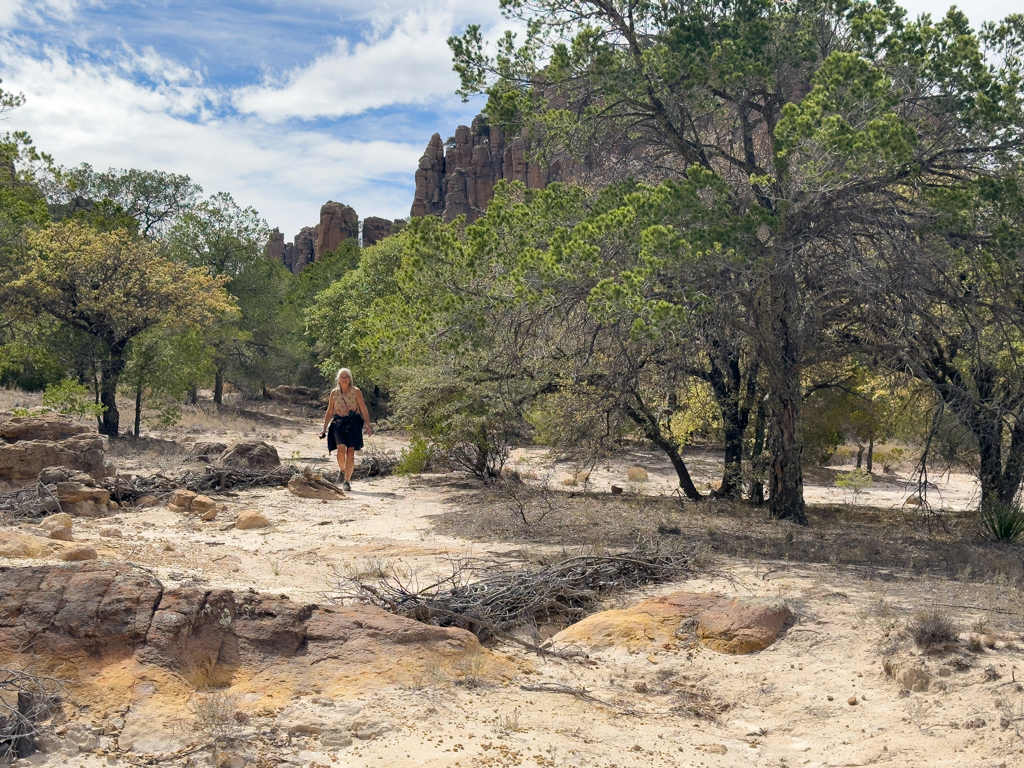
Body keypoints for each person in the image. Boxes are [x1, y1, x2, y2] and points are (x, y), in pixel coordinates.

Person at [319, 368, 372, 491]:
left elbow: (363, 409)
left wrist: (368, 425)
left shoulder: (356, 391)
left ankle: (347, 481)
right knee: (341, 450)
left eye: (346, 376)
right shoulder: (334, 393)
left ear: (350, 379)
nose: (344, 379)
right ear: (338, 379)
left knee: (351, 453)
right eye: (342, 377)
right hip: (338, 424)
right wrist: (324, 428)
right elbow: (330, 411)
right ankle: (342, 471)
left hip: (353, 424)